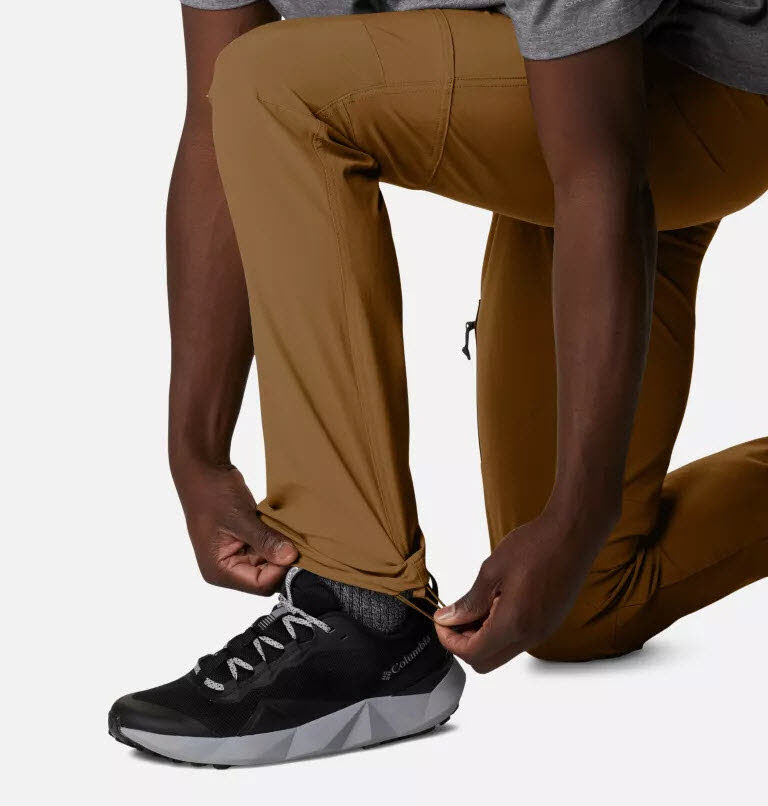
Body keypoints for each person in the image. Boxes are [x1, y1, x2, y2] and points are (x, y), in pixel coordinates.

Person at [108, 0, 768, 766]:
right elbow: (212, 124)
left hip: (700, 91)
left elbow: (601, 175)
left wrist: (578, 516)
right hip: (567, 91)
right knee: (581, 605)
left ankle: (364, 615)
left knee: (276, 81)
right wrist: (196, 453)